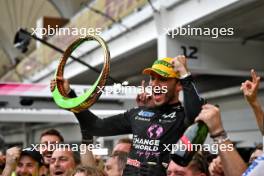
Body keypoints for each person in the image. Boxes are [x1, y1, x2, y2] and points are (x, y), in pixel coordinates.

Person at [51, 56, 204, 175]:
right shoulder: (137, 114)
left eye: (163, 79)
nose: (155, 84)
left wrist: (184, 75)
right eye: (153, 78)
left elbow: (197, 115)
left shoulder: (182, 117)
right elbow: (96, 127)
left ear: (178, 85)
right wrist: (70, 95)